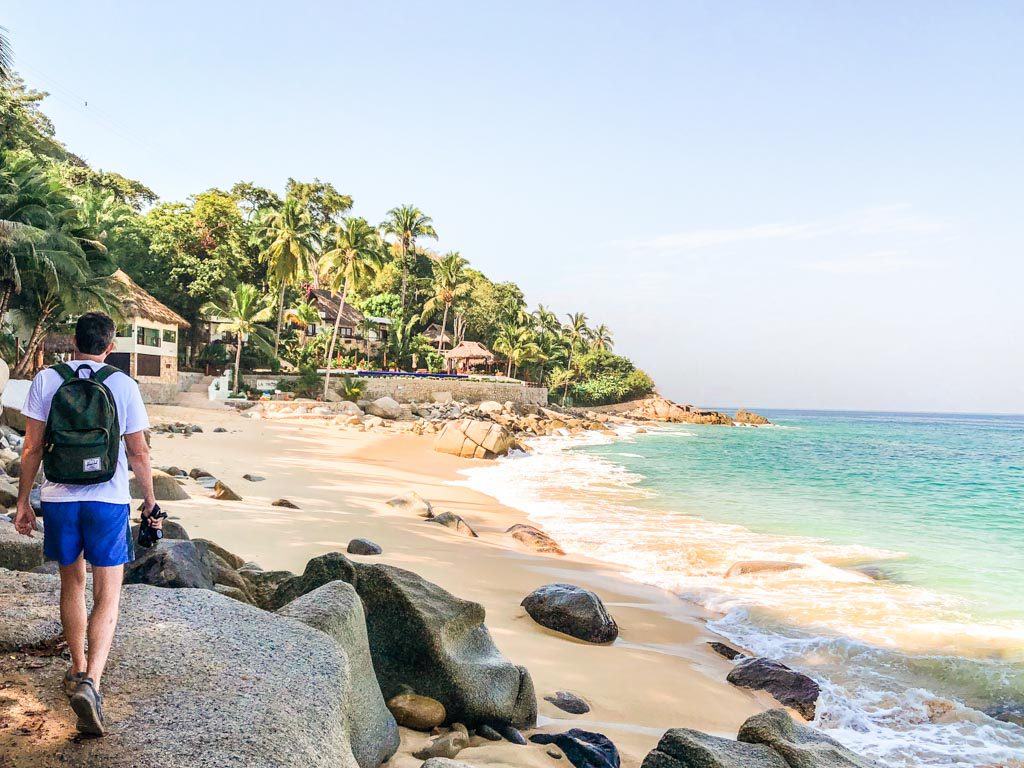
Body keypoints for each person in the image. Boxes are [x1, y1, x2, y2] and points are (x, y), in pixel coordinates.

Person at [13, 311, 158, 737]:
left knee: (71, 583)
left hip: (59, 496)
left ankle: (77, 670)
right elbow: (139, 453)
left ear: (73, 342)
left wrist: (24, 501)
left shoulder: (47, 379)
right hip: (108, 499)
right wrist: (149, 501)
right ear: (110, 346)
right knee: (108, 594)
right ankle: (93, 682)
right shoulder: (123, 384)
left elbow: (31, 448)